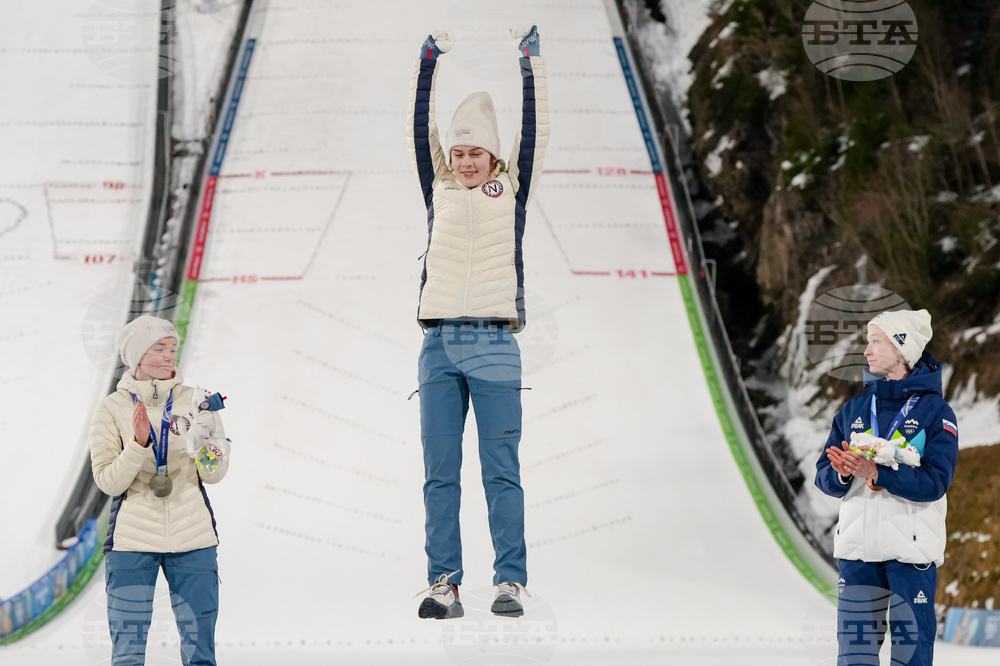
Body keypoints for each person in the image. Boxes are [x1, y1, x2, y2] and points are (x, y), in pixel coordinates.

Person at [405, 24, 548, 620]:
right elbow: (420, 131)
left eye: (475, 153)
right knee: (440, 473)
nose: (465, 162)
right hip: (439, 343)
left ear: (492, 156)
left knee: (499, 469)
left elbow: (536, 132)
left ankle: (509, 581)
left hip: (493, 341)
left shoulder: (509, 190)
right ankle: (444, 583)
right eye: (458, 152)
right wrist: (428, 66)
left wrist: (529, 67)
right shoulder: (438, 186)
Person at [815, 309, 959, 666]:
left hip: (910, 557)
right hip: (857, 554)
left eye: (876, 341)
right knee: (855, 657)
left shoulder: (936, 412)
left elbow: (935, 482)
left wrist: (879, 474)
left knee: (910, 658)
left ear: (902, 349)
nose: (867, 351)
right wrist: (844, 473)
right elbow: (824, 476)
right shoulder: (853, 410)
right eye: (868, 342)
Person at [90, 315, 230, 665]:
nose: (171, 356)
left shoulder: (198, 402)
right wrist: (138, 445)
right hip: (132, 542)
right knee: (128, 652)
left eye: (173, 349)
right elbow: (109, 482)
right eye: (160, 349)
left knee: (201, 651)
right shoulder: (112, 408)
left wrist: (207, 440)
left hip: (193, 538)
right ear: (137, 355)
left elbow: (213, 475)